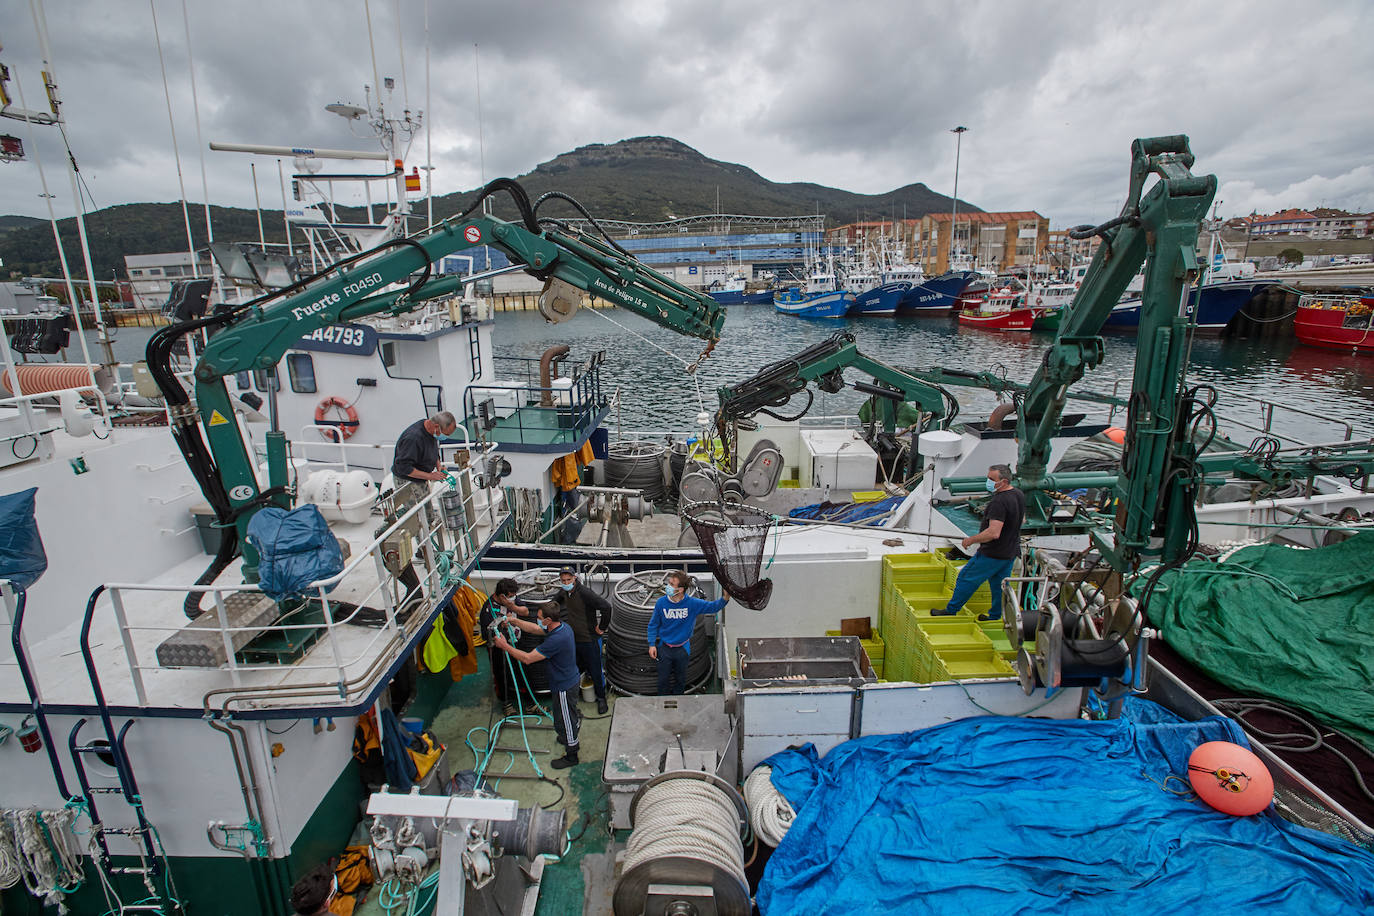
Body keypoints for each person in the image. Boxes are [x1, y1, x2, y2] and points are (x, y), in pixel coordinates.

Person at [492, 601, 582, 769]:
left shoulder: (556, 639)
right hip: (565, 680)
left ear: (548, 619)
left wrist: (504, 646)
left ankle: (572, 753)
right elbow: (534, 629)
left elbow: (527, 659)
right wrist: (514, 621)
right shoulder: (561, 627)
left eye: (540, 618)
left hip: (564, 686)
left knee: (567, 719)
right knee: (564, 714)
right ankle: (566, 735)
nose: (538, 620)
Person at [932, 463, 1025, 622]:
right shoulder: (1018, 494)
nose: (987, 481)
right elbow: (1022, 520)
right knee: (999, 586)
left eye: (991, 479)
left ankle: (951, 610)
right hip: (1010, 552)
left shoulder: (999, 502)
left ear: (1003, 481)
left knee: (965, 577)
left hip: (992, 553)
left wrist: (971, 540)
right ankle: (996, 616)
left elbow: (993, 532)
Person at [647, 571, 728, 696]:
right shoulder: (661, 603)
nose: (667, 586)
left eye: (671, 584)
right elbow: (653, 625)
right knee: (663, 679)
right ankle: (662, 700)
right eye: (669, 583)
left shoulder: (692, 604)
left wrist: (725, 599)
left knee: (681, 678)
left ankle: (679, 699)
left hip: (683, 649)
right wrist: (652, 644)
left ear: (680, 589)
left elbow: (713, 607)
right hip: (664, 648)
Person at [554, 565, 612, 715]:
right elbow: (555, 603)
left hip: (589, 639)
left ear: (575, 578)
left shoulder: (585, 593)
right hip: (573, 639)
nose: (566, 582)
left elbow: (606, 607)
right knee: (575, 668)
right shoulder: (564, 591)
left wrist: (601, 628)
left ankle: (601, 698)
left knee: (595, 669)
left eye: (568, 579)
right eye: (563, 580)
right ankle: (575, 695)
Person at [479, 578, 533, 716]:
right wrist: (501, 628)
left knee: (522, 671)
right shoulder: (488, 610)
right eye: (510, 597)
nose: (513, 598)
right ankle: (506, 703)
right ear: (502, 596)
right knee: (501, 675)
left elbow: (525, 611)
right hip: (498, 649)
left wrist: (513, 607)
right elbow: (489, 636)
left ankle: (530, 703)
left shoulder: (511, 599)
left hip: (516, 642)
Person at [391, 410, 457, 484]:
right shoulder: (413, 439)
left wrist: (439, 466)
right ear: (436, 426)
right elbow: (403, 467)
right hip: (408, 481)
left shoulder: (431, 430)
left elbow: (432, 450)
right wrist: (430, 476)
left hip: (423, 477)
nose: (446, 437)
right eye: (446, 434)